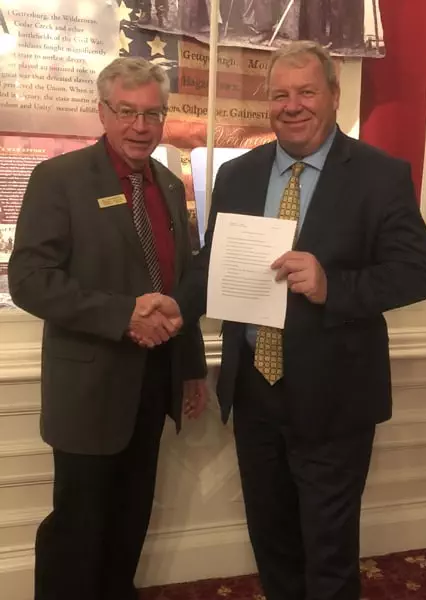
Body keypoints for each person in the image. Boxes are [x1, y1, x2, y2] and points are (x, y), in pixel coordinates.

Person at [138, 41, 426, 600]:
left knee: (328, 552)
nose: (292, 105)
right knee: (271, 541)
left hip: (336, 397)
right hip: (255, 393)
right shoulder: (238, 177)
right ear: (267, 105)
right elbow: (212, 264)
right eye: (280, 95)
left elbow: (417, 274)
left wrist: (334, 286)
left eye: (306, 92)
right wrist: (180, 302)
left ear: (333, 95)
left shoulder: (381, 175)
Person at [8, 57, 207, 600]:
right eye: (126, 112)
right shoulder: (60, 179)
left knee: (130, 516)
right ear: (102, 111)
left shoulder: (167, 184)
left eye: (152, 113)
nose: (140, 127)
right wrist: (122, 315)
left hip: (153, 384)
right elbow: (28, 279)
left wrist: (190, 369)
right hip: (88, 391)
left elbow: (181, 283)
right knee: (78, 526)